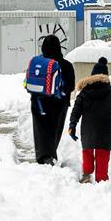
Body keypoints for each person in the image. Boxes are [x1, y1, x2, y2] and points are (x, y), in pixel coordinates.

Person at [68, 57, 111, 183]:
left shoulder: (84, 93)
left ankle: (87, 174)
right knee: (103, 154)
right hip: (106, 129)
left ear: (92, 76)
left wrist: (72, 125)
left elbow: (76, 110)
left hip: (88, 128)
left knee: (87, 151)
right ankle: (102, 180)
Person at [30, 34, 75, 165]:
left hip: (38, 102)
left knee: (41, 129)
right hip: (59, 103)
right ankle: (50, 155)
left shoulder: (37, 63)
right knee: (55, 130)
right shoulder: (66, 65)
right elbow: (70, 86)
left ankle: (43, 156)